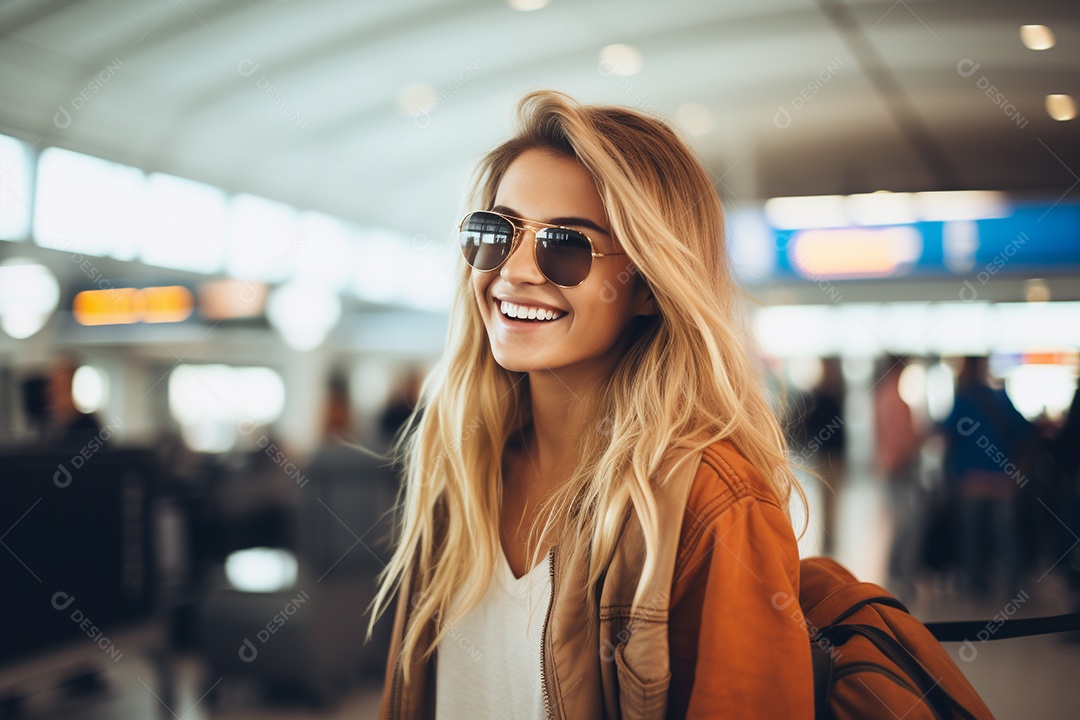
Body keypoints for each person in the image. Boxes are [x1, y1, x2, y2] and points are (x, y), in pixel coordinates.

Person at [369, 91, 814, 719]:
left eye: (566, 245)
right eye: (497, 233)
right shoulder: (462, 466)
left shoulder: (714, 505)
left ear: (649, 287)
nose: (514, 272)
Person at [941, 356, 1033, 601]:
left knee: (973, 540)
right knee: (1006, 540)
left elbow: (947, 438)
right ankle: (1012, 587)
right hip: (1002, 482)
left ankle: (975, 586)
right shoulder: (999, 398)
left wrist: (948, 479)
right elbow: (1025, 432)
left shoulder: (962, 401)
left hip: (972, 483)